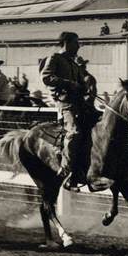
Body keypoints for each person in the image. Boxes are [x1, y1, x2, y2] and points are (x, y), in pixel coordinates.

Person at [40, 31, 102, 190]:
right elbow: (46, 77)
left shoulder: (74, 64)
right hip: (66, 104)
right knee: (74, 132)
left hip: (80, 104)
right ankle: (66, 173)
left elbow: (82, 83)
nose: (79, 46)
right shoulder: (54, 58)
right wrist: (68, 84)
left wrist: (85, 88)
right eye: (76, 42)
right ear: (66, 43)